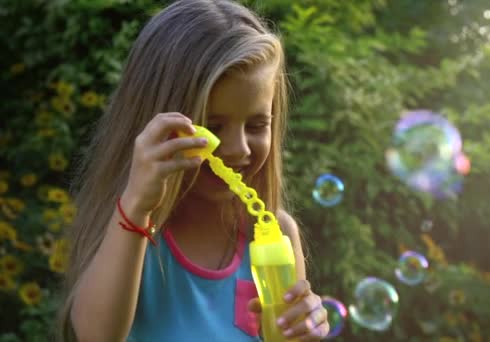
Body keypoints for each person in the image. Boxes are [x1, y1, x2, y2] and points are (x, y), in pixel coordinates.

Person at [56, 0, 329, 341]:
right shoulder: (132, 231)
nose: (239, 148)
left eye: (257, 124)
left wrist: (302, 333)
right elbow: (97, 337)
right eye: (212, 126)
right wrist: (138, 204)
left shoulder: (276, 235)